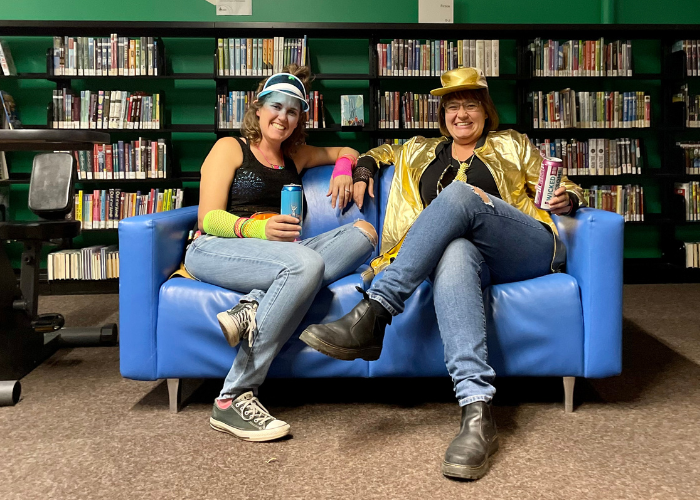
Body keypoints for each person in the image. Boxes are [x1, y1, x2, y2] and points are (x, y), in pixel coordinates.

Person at [299, 67, 583, 480]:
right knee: (454, 251)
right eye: (452, 106)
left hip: (523, 246)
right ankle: (476, 412)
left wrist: (569, 196)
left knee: (460, 194)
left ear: (486, 111)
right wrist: (356, 168)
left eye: (470, 105)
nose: (461, 114)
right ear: (443, 115)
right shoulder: (419, 150)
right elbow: (379, 153)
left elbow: (571, 186)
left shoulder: (513, 143)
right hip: (472, 260)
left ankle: (378, 307)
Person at [182, 66, 378, 442]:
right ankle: (233, 396)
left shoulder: (296, 156)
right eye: (276, 106)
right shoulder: (230, 147)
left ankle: (254, 305)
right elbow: (207, 218)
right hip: (216, 248)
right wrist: (258, 228)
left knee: (363, 235)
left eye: (293, 111)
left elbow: (348, 150)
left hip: (278, 257)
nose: (283, 117)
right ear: (258, 109)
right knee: (307, 263)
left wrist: (343, 169)